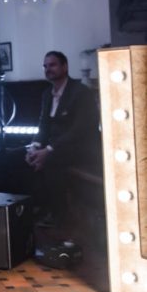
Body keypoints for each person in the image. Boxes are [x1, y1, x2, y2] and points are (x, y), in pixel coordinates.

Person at [25, 50, 101, 223]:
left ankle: (60, 215)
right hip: (57, 147)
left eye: (52, 65)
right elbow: (43, 125)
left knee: (51, 160)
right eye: (45, 66)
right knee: (22, 157)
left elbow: (79, 129)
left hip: (81, 147)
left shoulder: (81, 92)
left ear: (65, 67)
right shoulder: (47, 94)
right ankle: (37, 207)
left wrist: (49, 150)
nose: (48, 69)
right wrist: (34, 147)